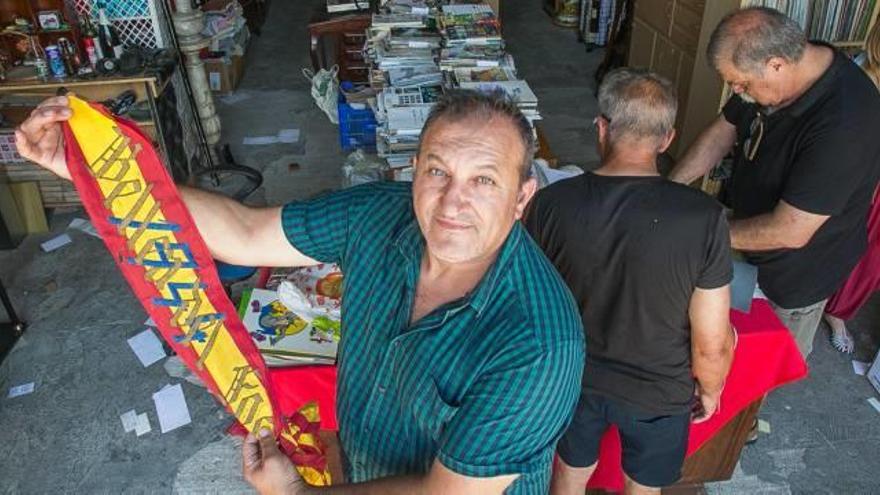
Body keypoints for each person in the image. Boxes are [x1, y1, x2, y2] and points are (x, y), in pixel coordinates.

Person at [15, 91, 585, 494]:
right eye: (438, 171)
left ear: (521, 196)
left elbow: (448, 493)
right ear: (415, 171)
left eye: (484, 180)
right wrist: (86, 167)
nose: (453, 201)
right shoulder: (377, 215)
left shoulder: (539, 341)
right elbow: (242, 232)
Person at [525, 68, 735, 495]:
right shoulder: (704, 217)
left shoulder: (551, 203)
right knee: (643, 488)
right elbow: (711, 340)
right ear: (668, 139)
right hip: (658, 389)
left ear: (601, 128)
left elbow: (530, 298)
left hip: (571, 379)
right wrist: (711, 388)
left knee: (568, 474)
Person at [669, 6, 880, 359]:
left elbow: (790, 231)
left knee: (761, 364)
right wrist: (667, 190)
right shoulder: (779, 67)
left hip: (798, 273)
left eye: (741, 83)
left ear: (777, 64)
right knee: (720, 336)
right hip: (749, 232)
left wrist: (697, 230)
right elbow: (724, 130)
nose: (737, 90)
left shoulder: (847, 123)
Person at [823, 21, 880, 353]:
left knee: (872, 255)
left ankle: (839, 308)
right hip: (863, 175)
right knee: (856, 242)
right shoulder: (857, 73)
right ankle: (834, 311)